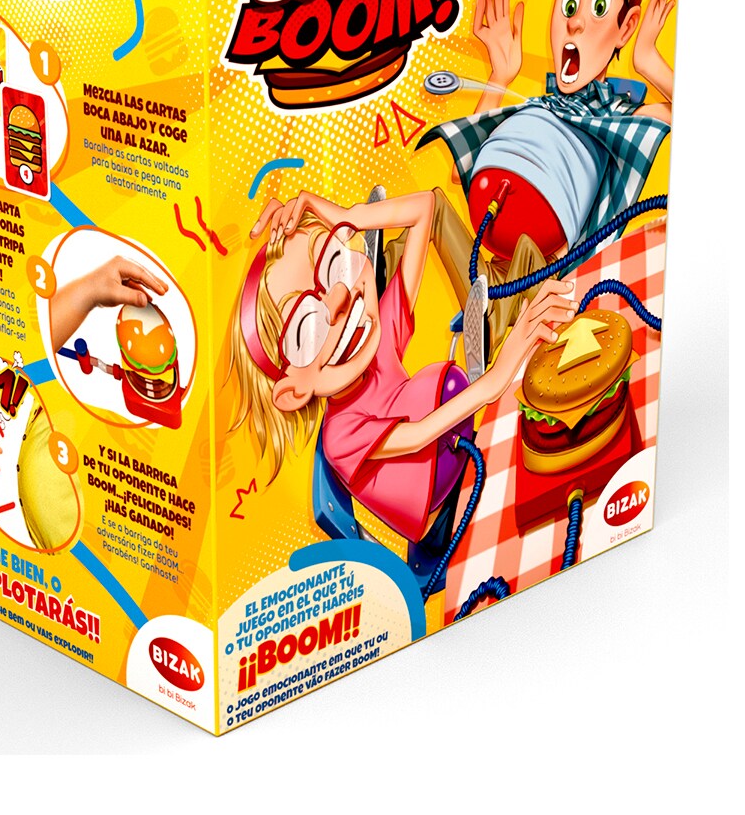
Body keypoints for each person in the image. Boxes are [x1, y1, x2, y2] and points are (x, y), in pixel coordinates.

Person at [230, 188, 575, 580]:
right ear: (293, 392)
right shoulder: (341, 436)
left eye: (335, 264)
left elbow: (427, 208)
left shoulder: (377, 345)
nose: (341, 298)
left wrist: (348, 215)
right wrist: (497, 374)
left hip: (466, 450)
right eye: (307, 326)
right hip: (449, 524)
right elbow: (420, 435)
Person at [418, 0, 675, 354]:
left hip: (545, 280)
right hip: (489, 264)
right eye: (569, 2)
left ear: (626, 27)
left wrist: (647, 58)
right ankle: (377, 273)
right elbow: (463, 172)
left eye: (598, 7)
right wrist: (499, 75)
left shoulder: (620, 118)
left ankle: (495, 331)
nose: (575, 20)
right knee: (432, 209)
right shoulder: (537, 107)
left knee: (527, 253)